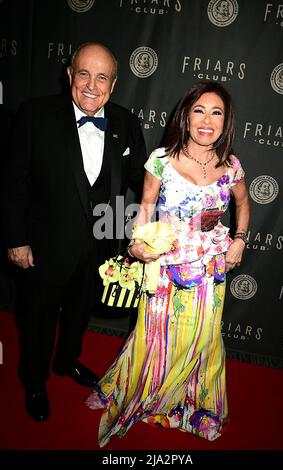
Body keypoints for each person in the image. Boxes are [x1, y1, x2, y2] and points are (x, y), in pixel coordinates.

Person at [86, 81, 250, 446]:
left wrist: (239, 240)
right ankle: (147, 392)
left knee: (202, 338)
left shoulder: (232, 165)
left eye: (216, 112)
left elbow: (244, 201)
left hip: (209, 269)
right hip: (165, 265)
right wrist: (136, 244)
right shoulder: (161, 159)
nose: (207, 120)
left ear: (226, 122)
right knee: (155, 335)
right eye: (199, 111)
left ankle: (192, 401)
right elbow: (145, 207)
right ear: (185, 117)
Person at [1, 42, 146, 422]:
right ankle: (34, 379)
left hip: (100, 248)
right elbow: (13, 183)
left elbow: (145, 181)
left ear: (113, 84)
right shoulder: (35, 114)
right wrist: (16, 239)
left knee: (80, 314)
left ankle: (67, 362)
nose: (91, 85)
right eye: (84, 73)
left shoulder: (126, 123)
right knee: (37, 319)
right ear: (69, 75)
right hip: (44, 245)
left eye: (102, 77)